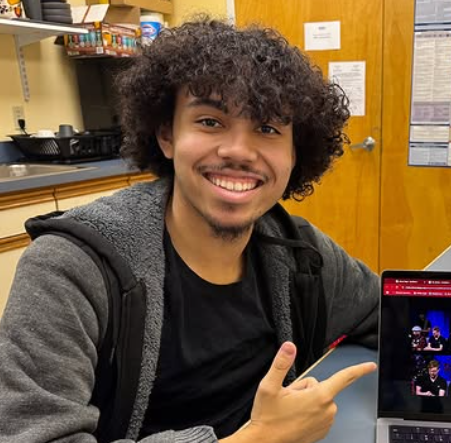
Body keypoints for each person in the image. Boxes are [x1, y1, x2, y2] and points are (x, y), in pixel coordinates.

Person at [0, 17, 378, 443]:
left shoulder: (299, 252)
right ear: (166, 134)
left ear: (295, 153)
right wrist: (259, 438)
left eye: (268, 128)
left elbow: (389, 313)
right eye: (210, 122)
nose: (238, 151)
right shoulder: (70, 270)